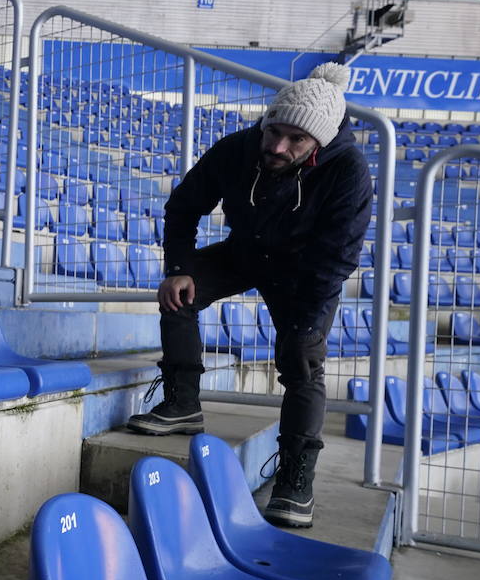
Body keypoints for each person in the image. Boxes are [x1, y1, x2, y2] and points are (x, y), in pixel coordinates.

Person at [127, 62, 373, 529]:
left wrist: (303, 322)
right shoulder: (239, 148)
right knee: (179, 293)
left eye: (295, 141)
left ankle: (296, 479)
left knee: (302, 359)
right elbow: (183, 207)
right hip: (247, 251)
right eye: (273, 131)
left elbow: (337, 256)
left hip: (306, 272)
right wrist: (178, 268)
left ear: (318, 143)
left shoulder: (349, 171)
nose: (278, 147)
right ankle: (182, 403)